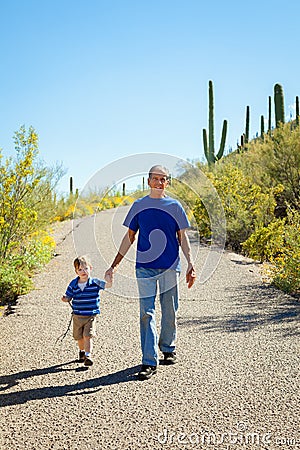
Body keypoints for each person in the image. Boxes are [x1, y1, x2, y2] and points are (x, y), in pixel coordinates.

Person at [105, 165, 196, 380]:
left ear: (167, 182)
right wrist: (114, 264)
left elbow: (182, 237)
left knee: (170, 309)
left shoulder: (175, 206)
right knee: (146, 313)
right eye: (155, 178)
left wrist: (191, 264)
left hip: (170, 266)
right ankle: (148, 361)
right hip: (144, 268)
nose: (159, 182)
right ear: (148, 181)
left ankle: (168, 347)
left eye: (163, 179)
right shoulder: (139, 206)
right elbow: (129, 237)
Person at [62, 255, 111, 367]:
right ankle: (82, 352)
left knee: (87, 336)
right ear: (76, 271)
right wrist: (65, 298)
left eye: (86, 268)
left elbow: (108, 285)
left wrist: (109, 279)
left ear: (91, 268)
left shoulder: (95, 283)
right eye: (80, 269)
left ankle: (88, 356)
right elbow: (68, 295)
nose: (83, 271)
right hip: (77, 315)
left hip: (90, 315)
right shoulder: (73, 284)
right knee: (79, 337)